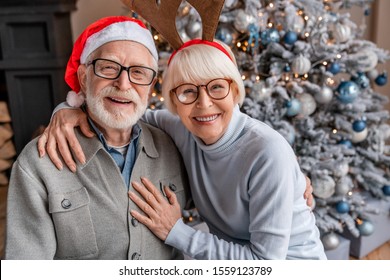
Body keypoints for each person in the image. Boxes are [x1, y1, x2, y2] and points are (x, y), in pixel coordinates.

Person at [38, 36, 325, 259]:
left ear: (235, 90)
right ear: (174, 102)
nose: (203, 104)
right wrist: (68, 109)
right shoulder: (181, 126)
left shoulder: (267, 152)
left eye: (216, 87)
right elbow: (122, 113)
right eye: (188, 90)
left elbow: (264, 264)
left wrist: (176, 232)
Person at [5, 16, 190, 260]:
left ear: (151, 84)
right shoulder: (38, 163)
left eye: (138, 72)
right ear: (84, 77)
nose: (123, 84)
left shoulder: (173, 145)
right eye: (109, 67)